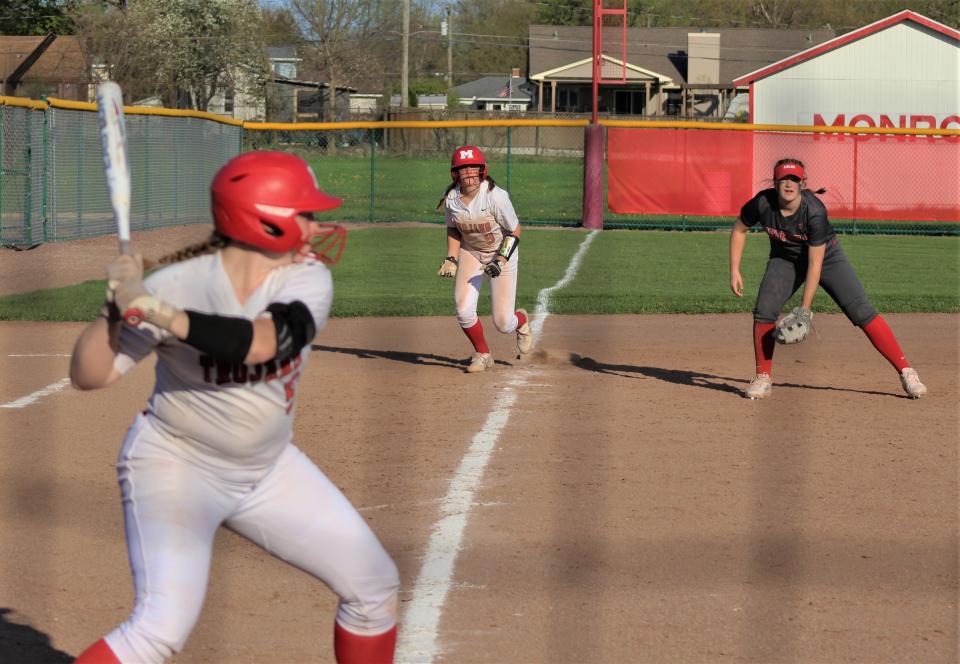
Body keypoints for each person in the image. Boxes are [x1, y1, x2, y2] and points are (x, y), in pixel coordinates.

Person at [70, 151, 399, 664]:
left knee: (374, 588)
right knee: (158, 629)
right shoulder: (174, 284)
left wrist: (157, 310)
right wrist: (113, 311)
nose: (315, 226)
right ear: (265, 220)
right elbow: (90, 376)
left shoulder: (305, 279)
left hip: (267, 471)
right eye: (304, 214)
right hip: (175, 469)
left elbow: (263, 343)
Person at [729, 157, 927, 400]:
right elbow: (739, 229)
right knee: (764, 311)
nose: (789, 184)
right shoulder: (762, 203)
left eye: (794, 179)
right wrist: (735, 270)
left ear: (803, 182)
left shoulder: (814, 211)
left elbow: (815, 264)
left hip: (827, 259)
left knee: (861, 311)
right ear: (775, 182)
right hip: (785, 260)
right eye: (784, 179)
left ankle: (906, 371)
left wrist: (805, 308)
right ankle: (762, 377)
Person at [436, 145, 534, 373]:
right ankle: (483, 353)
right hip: (471, 252)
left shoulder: (495, 197)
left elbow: (515, 231)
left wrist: (500, 260)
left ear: (482, 170)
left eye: (473, 167)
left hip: (502, 254)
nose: (469, 172)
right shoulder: (452, 199)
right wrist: (451, 258)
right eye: (463, 168)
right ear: (455, 173)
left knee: (502, 323)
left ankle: (521, 321)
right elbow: (453, 229)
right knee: (463, 310)